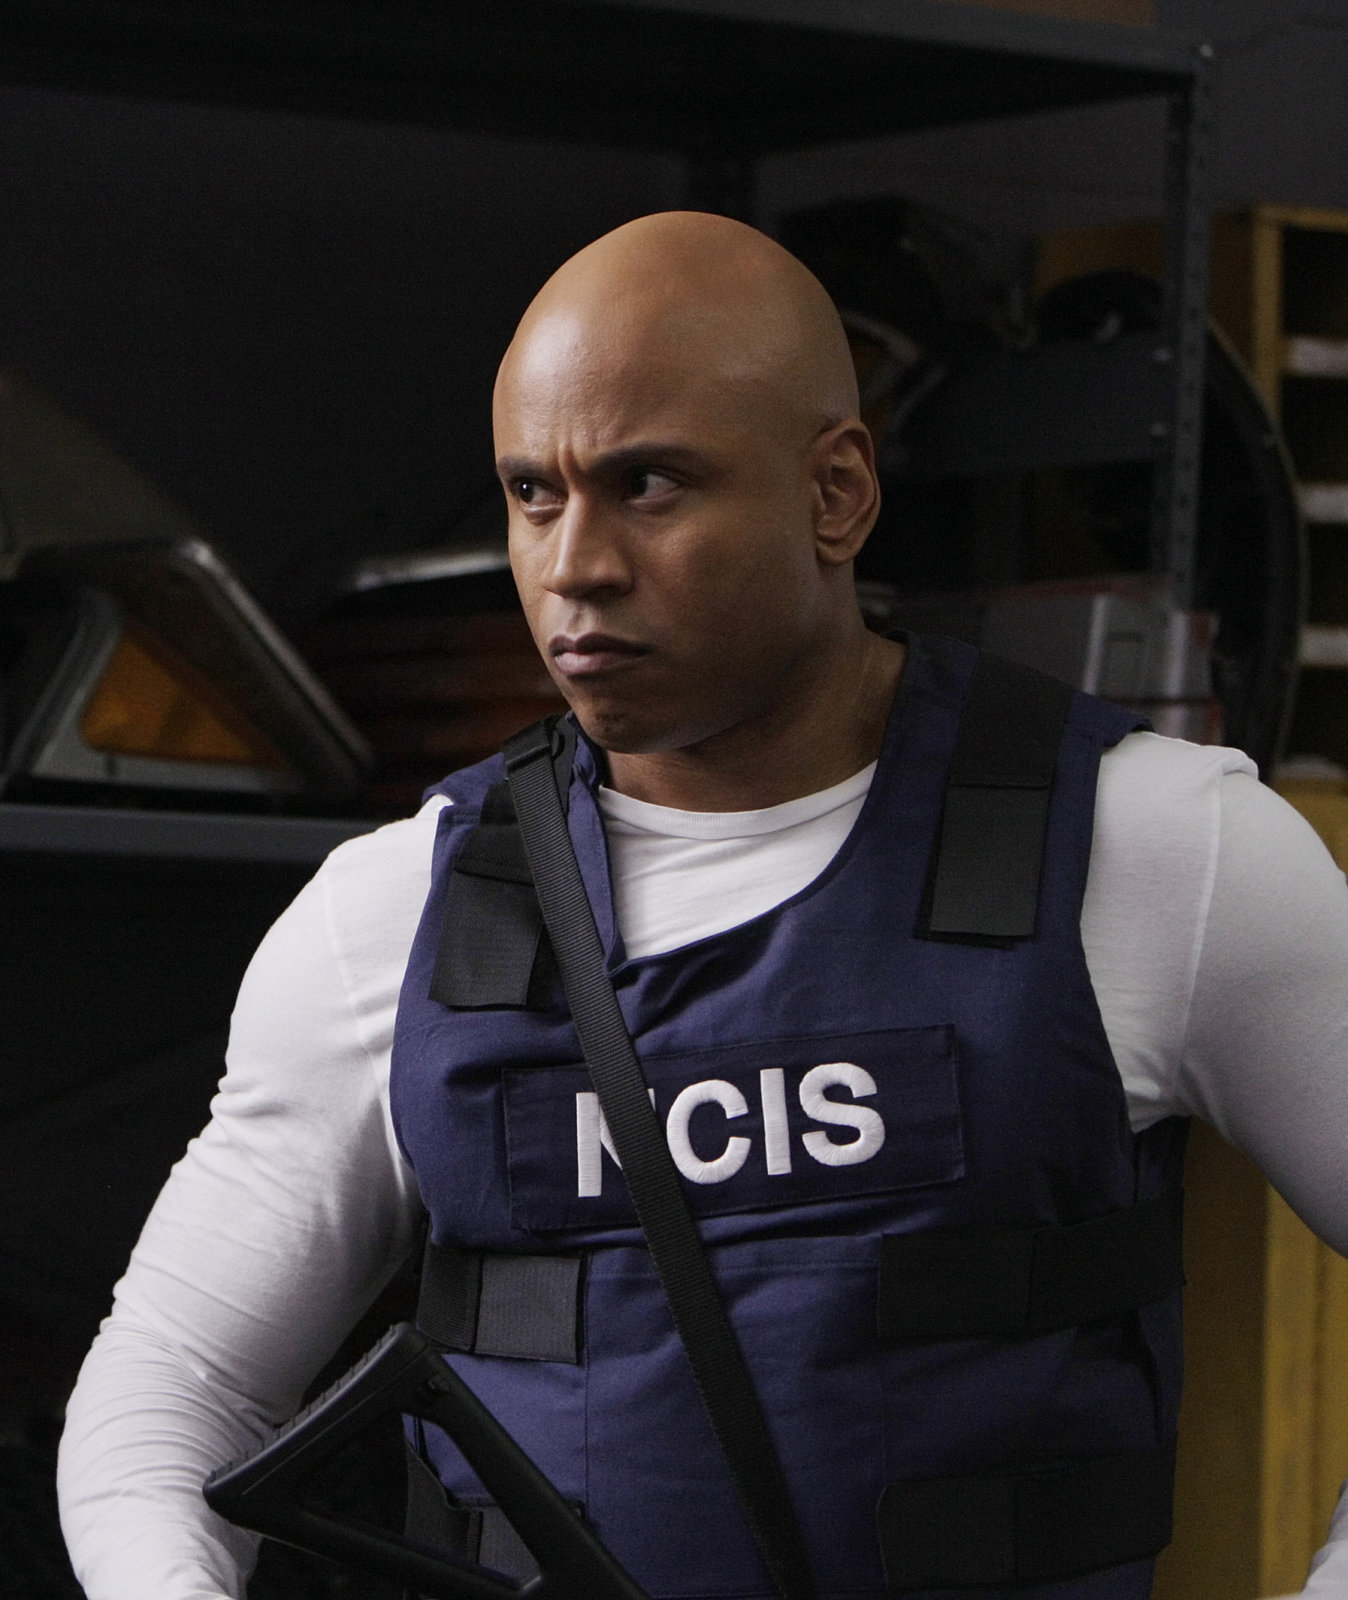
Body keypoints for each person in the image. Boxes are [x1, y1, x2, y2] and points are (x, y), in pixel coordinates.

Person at [58, 212, 1348, 1600]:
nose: (575, 565)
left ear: (836, 493)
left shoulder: (1151, 847)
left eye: (650, 484)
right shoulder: (395, 919)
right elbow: (171, 1389)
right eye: (534, 494)